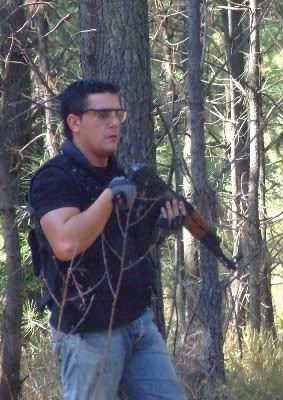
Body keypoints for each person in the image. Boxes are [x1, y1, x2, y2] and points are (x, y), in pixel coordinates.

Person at [28, 79, 187, 399]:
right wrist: (109, 197)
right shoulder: (54, 178)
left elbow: (126, 246)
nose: (113, 122)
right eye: (102, 115)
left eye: (117, 113)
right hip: (88, 333)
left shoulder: (119, 174)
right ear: (74, 122)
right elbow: (66, 244)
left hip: (138, 322)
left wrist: (161, 227)